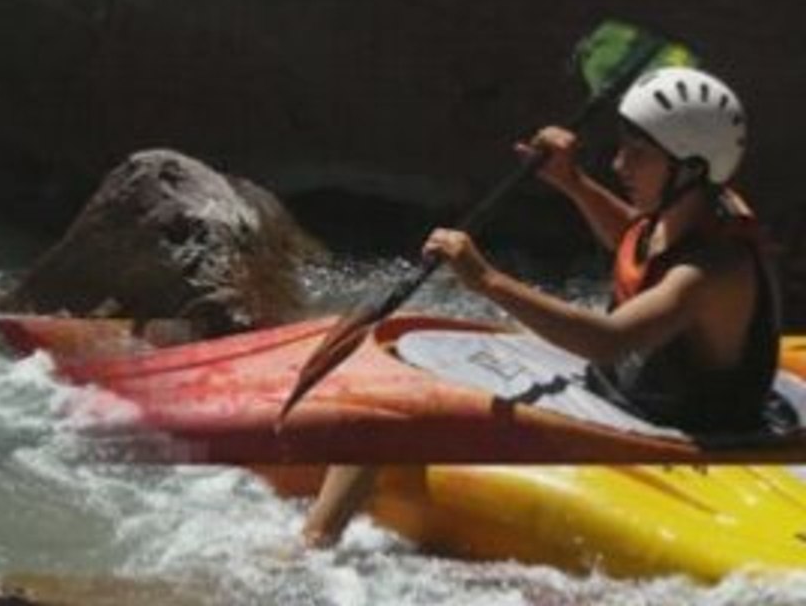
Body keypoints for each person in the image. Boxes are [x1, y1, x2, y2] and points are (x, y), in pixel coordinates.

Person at [302, 65, 780, 547]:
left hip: (674, 428)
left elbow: (608, 341)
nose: (618, 165)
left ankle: (309, 551)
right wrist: (571, 181)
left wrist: (487, 280)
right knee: (405, 355)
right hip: (632, 395)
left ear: (691, 168)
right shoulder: (692, 209)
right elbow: (637, 245)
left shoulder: (713, 271)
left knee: (395, 408)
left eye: (638, 154)